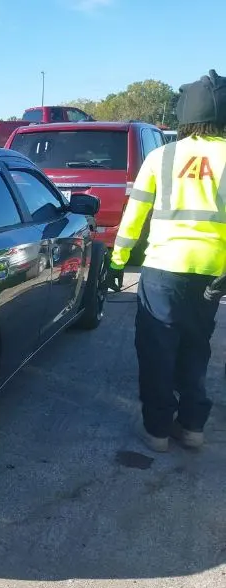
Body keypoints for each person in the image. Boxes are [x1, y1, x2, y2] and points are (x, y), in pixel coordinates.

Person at [106, 69, 226, 453]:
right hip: (213, 271)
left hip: (163, 268)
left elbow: (135, 216)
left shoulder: (161, 157)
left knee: (157, 347)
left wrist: (118, 260)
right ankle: (192, 427)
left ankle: (157, 430)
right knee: (196, 345)